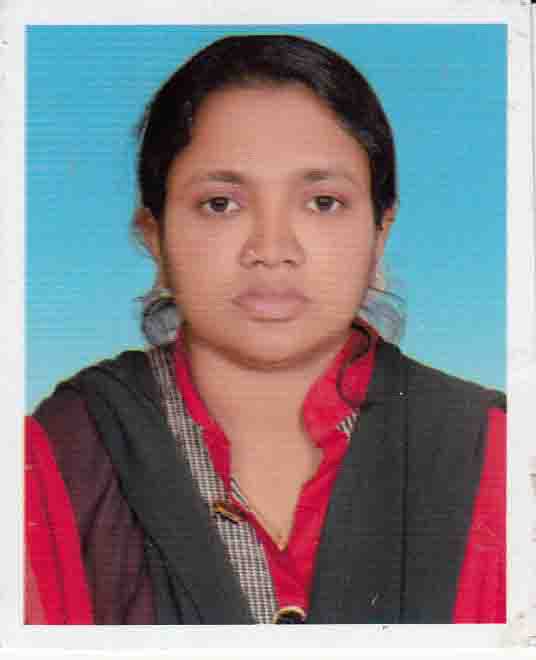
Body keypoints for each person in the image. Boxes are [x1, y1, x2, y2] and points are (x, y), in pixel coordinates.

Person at [25, 34, 506, 625]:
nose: (272, 249)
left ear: (380, 231)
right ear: (155, 235)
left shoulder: (493, 450)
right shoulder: (62, 450)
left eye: (323, 202)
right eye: (220, 204)